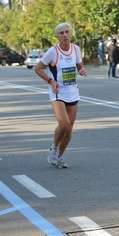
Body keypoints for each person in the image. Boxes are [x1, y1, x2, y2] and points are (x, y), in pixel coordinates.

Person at [34, 22, 87, 168]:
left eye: (67, 32)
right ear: (57, 36)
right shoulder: (53, 51)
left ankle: (60, 156)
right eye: (61, 33)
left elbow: (79, 65)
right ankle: (54, 148)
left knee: (69, 128)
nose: (65, 35)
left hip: (72, 92)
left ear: (71, 34)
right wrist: (51, 81)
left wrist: (82, 70)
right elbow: (38, 69)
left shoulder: (76, 49)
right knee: (64, 124)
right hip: (57, 93)